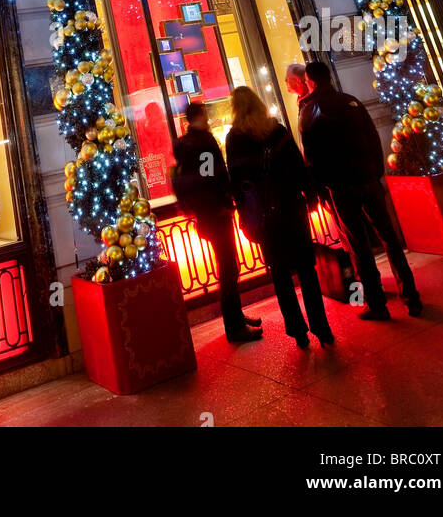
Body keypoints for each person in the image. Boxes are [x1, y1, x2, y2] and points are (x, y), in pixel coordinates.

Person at [299, 61, 422, 320]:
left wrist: (323, 187)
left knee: (359, 247)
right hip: (367, 179)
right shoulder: (351, 101)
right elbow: (373, 138)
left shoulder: (310, 111)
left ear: (310, 81)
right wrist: (376, 172)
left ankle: (376, 304)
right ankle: (411, 297)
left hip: (342, 187)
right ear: (329, 77)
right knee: (390, 239)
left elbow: (311, 157)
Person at [226, 86, 334, 349]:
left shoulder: (234, 139)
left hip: (264, 216)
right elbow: (298, 166)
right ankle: (321, 328)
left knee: (281, 276)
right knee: (307, 271)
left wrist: (245, 215)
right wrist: (310, 195)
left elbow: (237, 183)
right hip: (291, 208)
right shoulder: (277, 131)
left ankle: (297, 331)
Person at [171, 102, 262, 343]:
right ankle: (234, 327)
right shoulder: (202, 144)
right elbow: (209, 176)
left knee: (228, 266)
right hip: (216, 214)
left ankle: (237, 317)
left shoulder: (184, 145)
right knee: (229, 268)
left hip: (204, 214)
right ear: (201, 116)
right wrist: (222, 203)